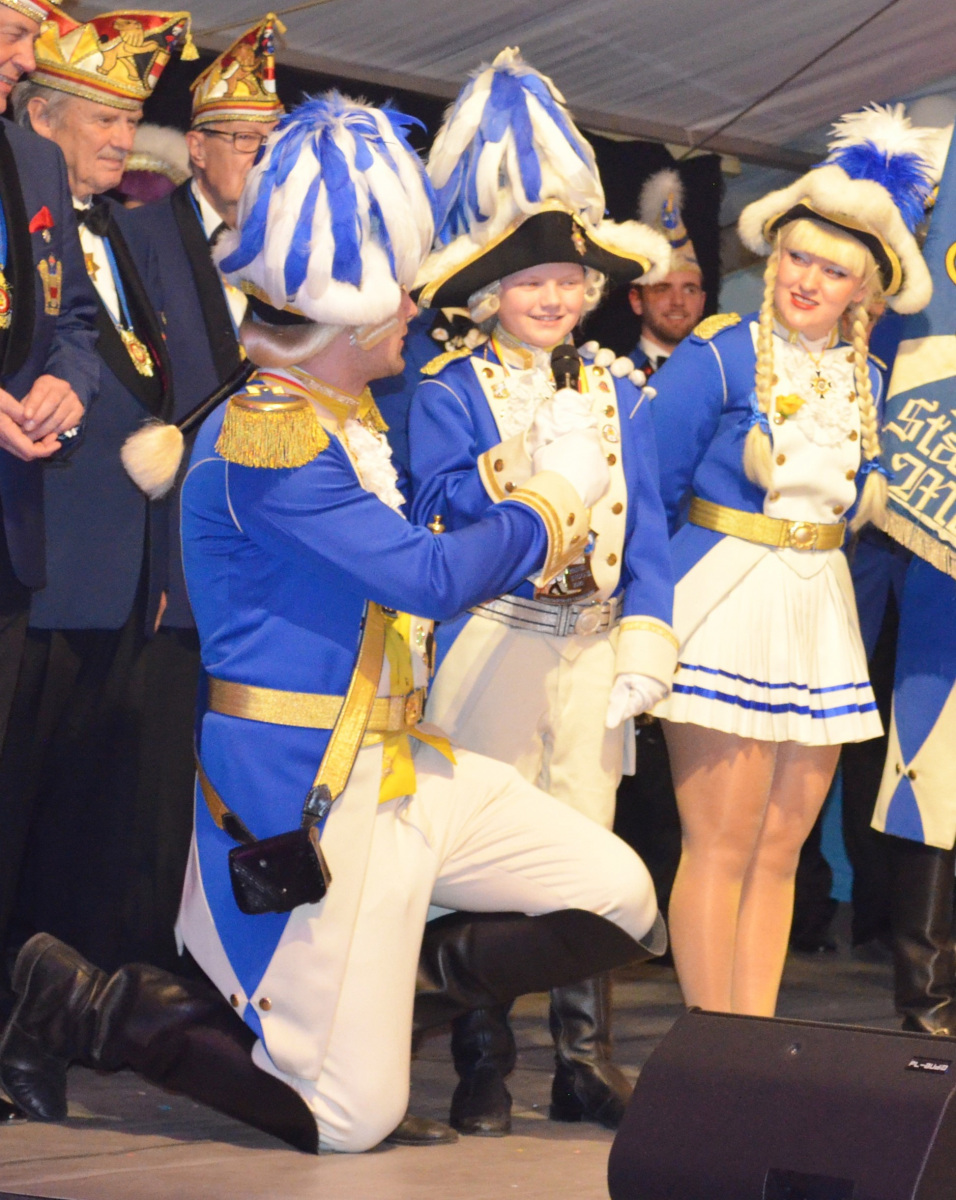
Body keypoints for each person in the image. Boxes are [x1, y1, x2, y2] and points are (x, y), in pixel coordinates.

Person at [0, 91, 664, 1155]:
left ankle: (367, 1009)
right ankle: (87, 1006)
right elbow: (426, 578)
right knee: (350, 1122)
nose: (412, 308)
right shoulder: (269, 439)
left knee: (618, 897)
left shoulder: (342, 413)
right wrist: (552, 499)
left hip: (402, 763)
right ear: (346, 320)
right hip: (306, 789)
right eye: (395, 294)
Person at [408, 49, 675, 1136]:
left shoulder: (621, 389)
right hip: (490, 645)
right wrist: (519, 466)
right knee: (481, 858)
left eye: (567, 281)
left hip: (590, 650)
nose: (554, 297)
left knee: (591, 850)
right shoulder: (448, 386)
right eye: (531, 282)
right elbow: (432, 504)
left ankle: (584, 1060)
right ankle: (482, 1062)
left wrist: (648, 638)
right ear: (490, 293)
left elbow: (648, 528)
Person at [649, 103, 936, 1017]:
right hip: (723, 602)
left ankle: (753, 1046)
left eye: (834, 270)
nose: (809, 279)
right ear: (774, 257)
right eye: (800, 258)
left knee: (778, 853)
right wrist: (643, 618)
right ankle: (713, 1049)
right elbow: (646, 491)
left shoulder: (870, 379)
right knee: (720, 845)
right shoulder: (717, 356)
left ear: (866, 291)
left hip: (821, 611)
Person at [0, 7, 197, 981]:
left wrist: (71, 380)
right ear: (45, 118)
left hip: (97, 575)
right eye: (105, 120)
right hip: (41, 564)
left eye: (131, 121)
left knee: (73, 826)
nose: (126, 139)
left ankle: (51, 1015)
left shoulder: (103, 221)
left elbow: (88, 337)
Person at [0, 0, 99, 1014]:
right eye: (11, 34)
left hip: (10, 533)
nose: (25, 62)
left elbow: (69, 317)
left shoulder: (31, 161)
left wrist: (71, 380)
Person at [627, 169, 706, 376]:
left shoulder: (723, 376)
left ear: (702, 302)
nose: (678, 301)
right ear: (636, 300)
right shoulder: (615, 380)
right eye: (663, 289)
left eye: (690, 290)